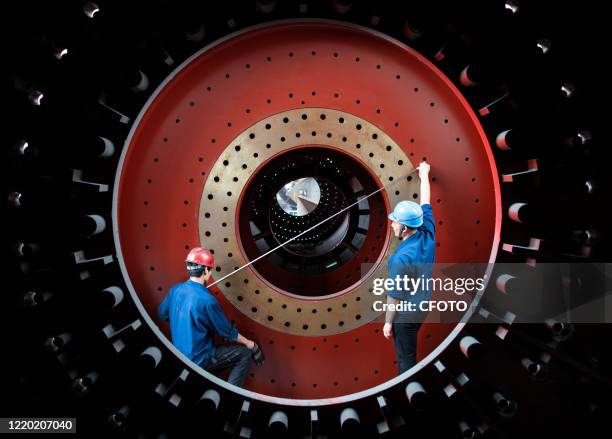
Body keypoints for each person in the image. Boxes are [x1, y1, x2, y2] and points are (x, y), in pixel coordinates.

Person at [157, 247, 263, 387]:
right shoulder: (207, 300)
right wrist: (251, 344)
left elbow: (162, 313)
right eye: (210, 270)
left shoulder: (175, 290)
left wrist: (184, 324)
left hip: (179, 356)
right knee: (243, 353)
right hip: (199, 359)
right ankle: (230, 395)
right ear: (206, 270)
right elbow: (226, 332)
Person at [383, 162, 435, 374]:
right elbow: (426, 202)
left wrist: (388, 324)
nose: (392, 224)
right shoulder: (427, 231)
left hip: (405, 316)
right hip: (422, 306)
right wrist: (425, 175)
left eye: (395, 222)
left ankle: (411, 393)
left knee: (406, 362)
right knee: (409, 354)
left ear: (404, 228)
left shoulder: (401, 259)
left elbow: (393, 297)